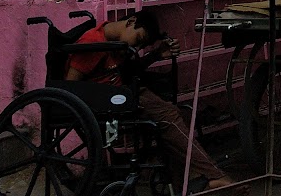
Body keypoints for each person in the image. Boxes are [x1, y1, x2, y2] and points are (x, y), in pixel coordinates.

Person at [65, 10, 232, 191]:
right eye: (138, 40)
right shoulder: (92, 43)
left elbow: (127, 71)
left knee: (176, 114)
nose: (136, 48)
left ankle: (185, 184)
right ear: (131, 22)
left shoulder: (116, 42)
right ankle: (215, 175)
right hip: (111, 98)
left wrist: (157, 55)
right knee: (169, 117)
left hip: (126, 91)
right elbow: (71, 85)